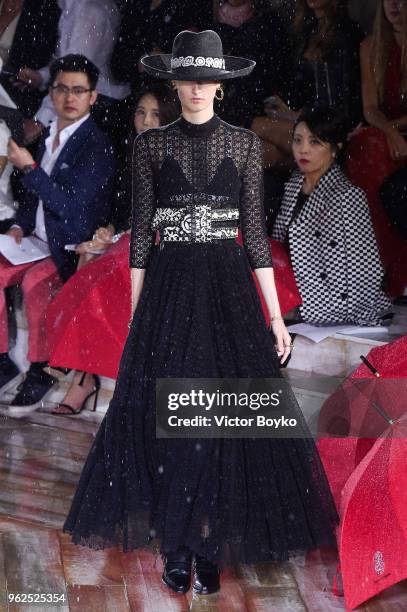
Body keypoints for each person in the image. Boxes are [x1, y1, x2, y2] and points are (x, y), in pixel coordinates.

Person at [63, 30, 338, 597]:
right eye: (186, 77)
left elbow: (256, 239)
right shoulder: (151, 146)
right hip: (168, 290)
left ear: (219, 83)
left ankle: (209, 545)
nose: (195, 87)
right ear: (176, 83)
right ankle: (179, 543)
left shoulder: (241, 145)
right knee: (176, 417)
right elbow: (141, 239)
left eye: (204, 77)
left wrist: (278, 319)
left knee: (221, 420)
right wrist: (138, 315)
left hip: (228, 292)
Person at [45, 82, 180, 414]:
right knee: (89, 255)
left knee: (106, 273)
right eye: (141, 113)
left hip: (169, 243)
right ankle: (84, 371)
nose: (146, 121)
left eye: (155, 115)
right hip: (134, 239)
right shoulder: (133, 152)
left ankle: (89, 372)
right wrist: (109, 230)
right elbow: (121, 211)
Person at [0, 54, 115, 413]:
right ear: (51, 91)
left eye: (78, 90)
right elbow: (32, 196)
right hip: (35, 239)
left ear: (93, 97)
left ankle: (43, 368)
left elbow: (70, 208)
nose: (69, 97)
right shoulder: (51, 132)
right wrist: (20, 223)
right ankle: (3, 361)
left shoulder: (97, 146)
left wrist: (30, 168)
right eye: (62, 88)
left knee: (36, 282)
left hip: (69, 245)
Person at [272, 107, 392, 325]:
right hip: (295, 300)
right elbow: (279, 249)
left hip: (333, 310)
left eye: (315, 142)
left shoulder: (347, 197)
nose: (303, 150)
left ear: (335, 149)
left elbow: (361, 275)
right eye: (297, 140)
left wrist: (300, 311)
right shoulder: (292, 187)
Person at [251, 0, 363, 167]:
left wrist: (303, 116)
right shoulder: (308, 29)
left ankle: (324, 164)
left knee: (252, 126)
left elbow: (344, 103)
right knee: (262, 151)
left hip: (330, 128)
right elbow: (299, 92)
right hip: (309, 122)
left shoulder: (346, 33)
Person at [345, 0, 407, 297]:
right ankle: (382, 265)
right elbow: (370, 108)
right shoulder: (371, 46)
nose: (395, 5)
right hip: (389, 132)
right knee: (365, 149)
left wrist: (393, 131)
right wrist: (390, 131)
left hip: (399, 131)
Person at [15, 0, 130, 140]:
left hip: (98, 106)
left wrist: (40, 121)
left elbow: (74, 75)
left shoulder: (90, 11)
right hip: (83, 98)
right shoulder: (73, 6)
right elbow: (64, 61)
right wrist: (40, 77)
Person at [212, 0, 289, 128]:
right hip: (216, 108)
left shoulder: (269, 23)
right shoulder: (206, 17)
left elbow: (277, 74)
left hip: (258, 111)